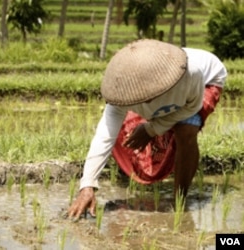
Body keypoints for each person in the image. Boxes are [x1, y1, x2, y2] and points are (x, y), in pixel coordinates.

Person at [68, 39, 227, 220]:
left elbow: (192, 107)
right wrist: (87, 185)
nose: (148, 99)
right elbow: (105, 134)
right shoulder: (123, 90)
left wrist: (152, 129)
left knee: (185, 130)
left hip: (208, 81)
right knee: (127, 130)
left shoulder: (191, 74)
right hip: (172, 92)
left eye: (151, 94)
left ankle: (180, 199)